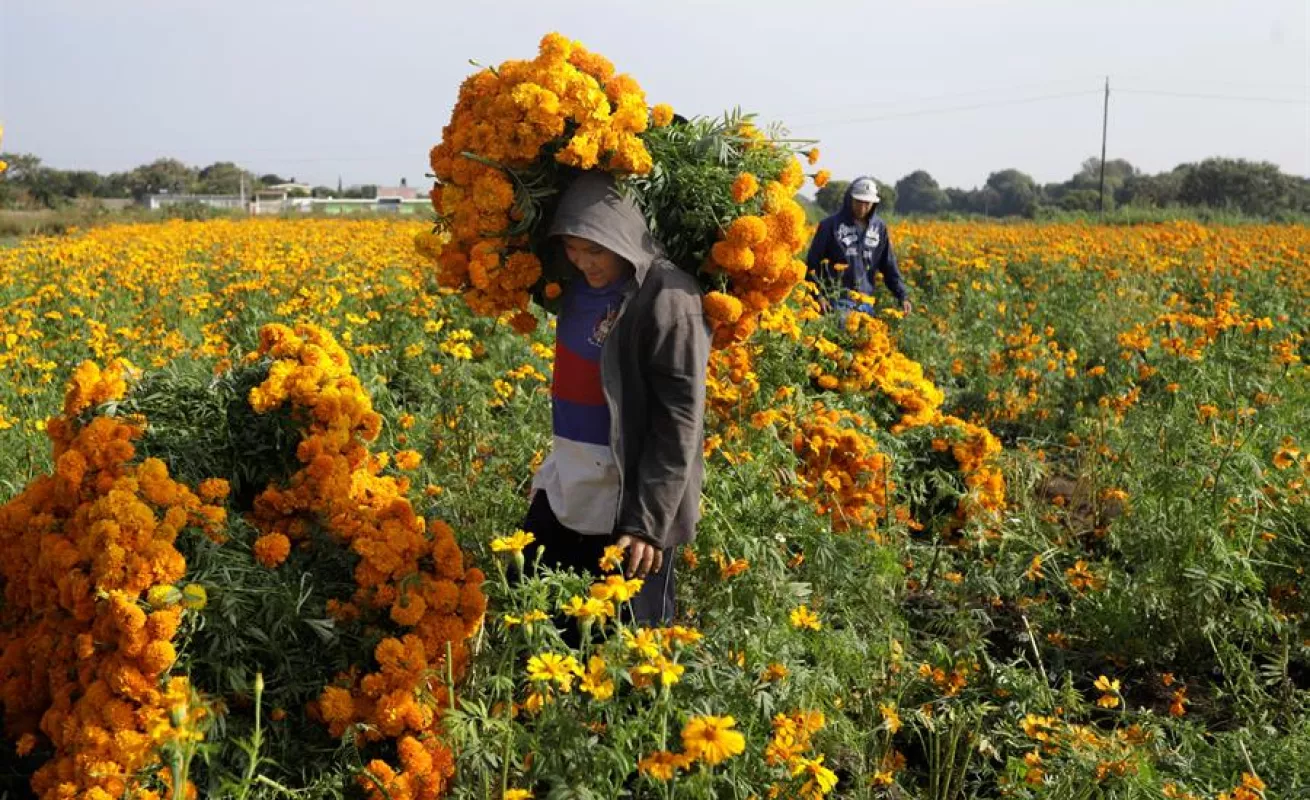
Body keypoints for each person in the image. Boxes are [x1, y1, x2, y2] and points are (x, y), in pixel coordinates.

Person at [519, 171, 710, 626]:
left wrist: (648, 523)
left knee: (626, 654)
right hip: (570, 483)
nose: (584, 261)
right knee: (538, 618)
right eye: (573, 247)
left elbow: (679, 420)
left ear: (624, 234)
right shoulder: (569, 287)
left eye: (595, 249)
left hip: (630, 500)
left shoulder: (670, 297)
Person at [806, 176, 912, 316]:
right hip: (835, 301)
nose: (862, 207)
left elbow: (889, 265)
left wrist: (902, 295)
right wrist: (818, 296)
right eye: (858, 202)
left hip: (865, 303)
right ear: (850, 199)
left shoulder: (879, 228)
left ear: (874, 203)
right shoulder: (830, 226)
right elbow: (812, 264)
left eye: (867, 203)